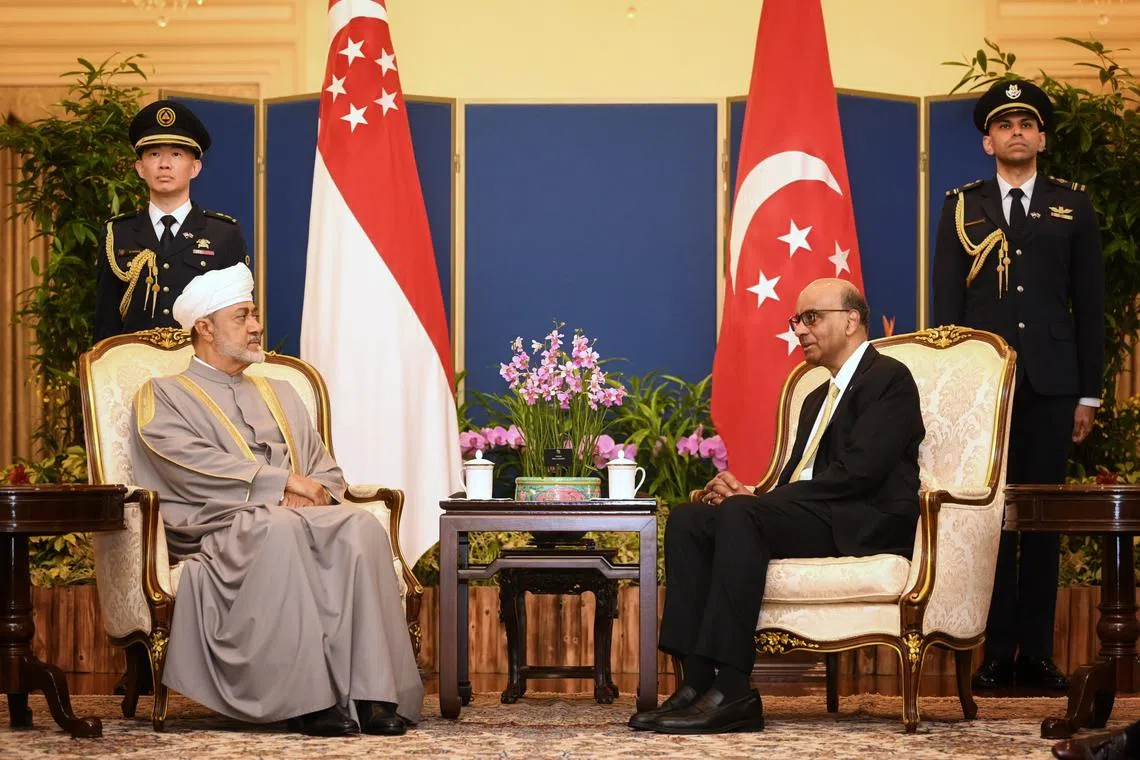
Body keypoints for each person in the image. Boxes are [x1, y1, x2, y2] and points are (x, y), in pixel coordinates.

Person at [127, 263, 423, 736]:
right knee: (279, 527)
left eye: (255, 314)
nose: (256, 325)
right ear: (204, 328)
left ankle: (372, 694)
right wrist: (282, 484)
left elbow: (324, 470)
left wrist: (313, 491)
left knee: (361, 526)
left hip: (293, 519)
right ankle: (307, 699)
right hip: (222, 527)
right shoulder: (163, 395)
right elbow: (184, 464)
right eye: (242, 316)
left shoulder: (281, 392)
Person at [629, 278, 925, 734]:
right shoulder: (813, 398)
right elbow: (797, 480)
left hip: (861, 520)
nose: (800, 330)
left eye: (811, 318)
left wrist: (756, 503)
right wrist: (752, 494)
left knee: (741, 512)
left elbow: (858, 475)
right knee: (689, 519)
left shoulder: (889, 379)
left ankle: (734, 689)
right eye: (797, 320)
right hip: (814, 513)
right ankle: (695, 683)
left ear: (851, 320)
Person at [933, 79, 1105, 692]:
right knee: (989, 518)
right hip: (985, 388)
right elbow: (946, 309)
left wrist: (1089, 393)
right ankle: (995, 653)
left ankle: (1035, 654)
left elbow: (1090, 302)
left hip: (1055, 385)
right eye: (1004, 124)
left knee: (1042, 516)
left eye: (1026, 124)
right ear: (988, 141)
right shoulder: (961, 205)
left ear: (1042, 138)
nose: (1016, 132)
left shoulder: (1072, 206)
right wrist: (951, 392)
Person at [94, 99, 250, 343]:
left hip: (201, 371)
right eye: (154, 154)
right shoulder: (117, 232)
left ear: (195, 168)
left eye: (176, 155)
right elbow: (105, 322)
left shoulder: (223, 234)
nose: (164, 164)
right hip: (133, 371)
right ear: (140, 168)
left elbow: (238, 318)